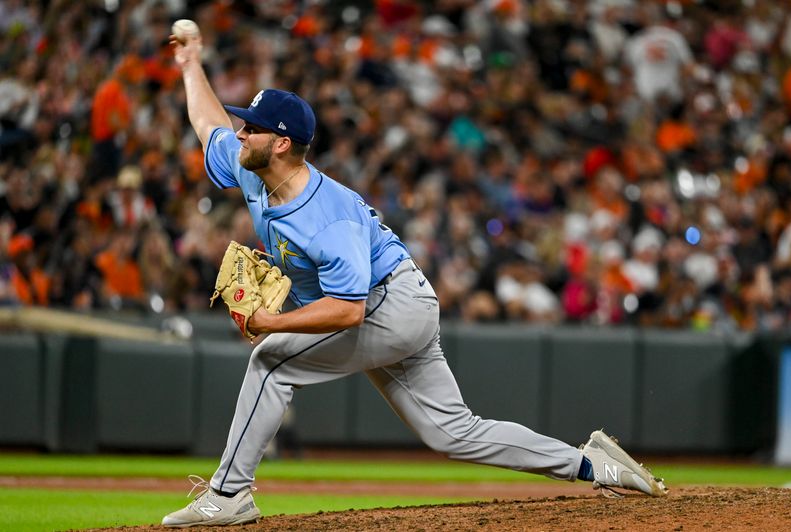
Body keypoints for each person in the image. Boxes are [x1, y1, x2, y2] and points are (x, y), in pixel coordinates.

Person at [162, 27, 668, 528]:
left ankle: (229, 494)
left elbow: (349, 310)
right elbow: (209, 126)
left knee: (271, 362)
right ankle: (592, 464)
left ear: (282, 144)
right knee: (453, 432)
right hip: (402, 301)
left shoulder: (327, 217)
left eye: (252, 127)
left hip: (388, 305)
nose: (242, 132)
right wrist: (192, 66)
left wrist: (272, 322)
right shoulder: (253, 170)